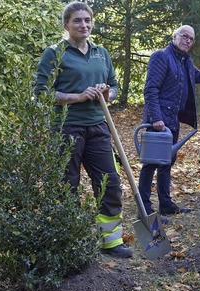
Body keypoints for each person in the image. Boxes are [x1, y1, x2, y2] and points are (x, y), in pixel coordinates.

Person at [34, 1, 132, 258]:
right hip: (66, 127)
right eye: (77, 21)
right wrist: (77, 96)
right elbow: (41, 93)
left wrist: (107, 92)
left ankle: (111, 241)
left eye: (87, 20)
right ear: (66, 24)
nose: (83, 25)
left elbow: (115, 86)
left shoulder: (101, 52)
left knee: (109, 181)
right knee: (67, 184)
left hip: (99, 126)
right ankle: (68, 239)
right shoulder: (54, 53)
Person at [140, 25, 200, 216]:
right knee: (151, 164)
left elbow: (198, 76)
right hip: (157, 122)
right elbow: (151, 89)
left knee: (166, 162)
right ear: (174, 36)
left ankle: (166, 205)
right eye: (184, 36)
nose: (188, 41)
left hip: (172, 121)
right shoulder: (161, 56)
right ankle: (145, 209)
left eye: (191, 39)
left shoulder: (186, 61)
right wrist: (156, 118)